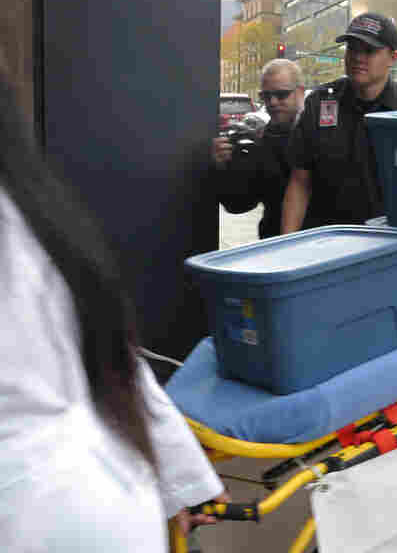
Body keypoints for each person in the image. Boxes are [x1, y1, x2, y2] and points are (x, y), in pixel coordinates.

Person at [0, 65, 227, 548]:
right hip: (112, 502)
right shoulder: (40, 213)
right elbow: (119, 368)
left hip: (43, 515)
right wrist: (184, 482)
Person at [280, 12, 397, 233]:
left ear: (394, 57)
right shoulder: (320, 103)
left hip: (391, 246)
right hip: (326, 243)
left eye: (369, 50)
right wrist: (287, 245)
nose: (358, 57)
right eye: (352, 48)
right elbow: (300, 182)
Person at [214, 59, 305, 239]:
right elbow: (238, 204)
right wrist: (223, 168)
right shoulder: (260, 141)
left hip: (324, 244)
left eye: (281, 95)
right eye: (266, 96)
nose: (272, 102)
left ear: (300, 92)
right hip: (275, 244)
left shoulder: (324, 136)